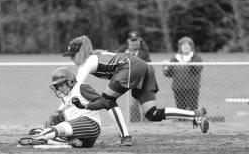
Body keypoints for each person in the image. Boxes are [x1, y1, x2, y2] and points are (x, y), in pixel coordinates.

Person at [62, 35, 210, 140]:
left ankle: (125, 137)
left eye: (72, 55)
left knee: (107, 100)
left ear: (80, 53)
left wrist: (61, 109)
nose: (71, 59)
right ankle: (194, 115)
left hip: (130, 67)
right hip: (143, 67)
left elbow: (75, 87)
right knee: (152, 114)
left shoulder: (87, 61)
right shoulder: (96, 55)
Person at [19, 67, 110, 148]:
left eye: (62, 85)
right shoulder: (65, 98)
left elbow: (104, 102)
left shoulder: (81, 87)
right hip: (77, 135)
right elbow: (59, 114)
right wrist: (54, 118)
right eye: (58, 87)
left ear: (70, 82)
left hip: (90, 125)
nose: (60, 89)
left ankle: (41, 138)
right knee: (35, 131)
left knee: (59, 128)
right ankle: (69, 143)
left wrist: (85, 106)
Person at [116, 31, 151, 122]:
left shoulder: (144, 52)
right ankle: (135, 124)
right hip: (129, 82)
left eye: (136, 40)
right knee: (133, 104)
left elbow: (147, 65)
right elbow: (116, 60)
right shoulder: (122, 51)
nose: (134, 42)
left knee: (145, 103)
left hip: (143, 81)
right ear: (128, 41)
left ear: (140, 40)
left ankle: (147, 122)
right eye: (132, 40)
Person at [162, 36, 203, 113]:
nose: (185, 47)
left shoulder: (196, 57)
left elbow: (197, 70)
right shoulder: (175, 58)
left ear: (191, 47)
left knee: (193, 107)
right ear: (180, 47)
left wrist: (189, 63)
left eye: (188, 45)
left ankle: (196, 120)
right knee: (180, 108)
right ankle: (181, 121)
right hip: (178, 87)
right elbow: (169, 74)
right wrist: (165, 67)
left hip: (192, 88)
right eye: (183, 45)